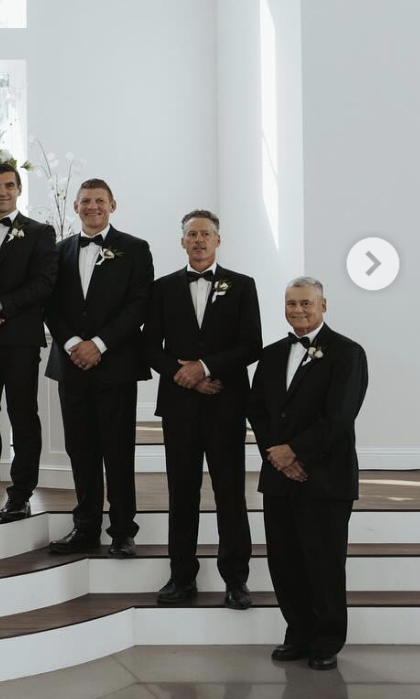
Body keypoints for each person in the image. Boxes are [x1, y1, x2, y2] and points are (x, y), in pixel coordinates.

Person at [248, 277, 367, 672]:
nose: (297, 310)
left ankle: (326, 639)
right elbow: (258, 410)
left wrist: (295, 451)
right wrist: (276, 454)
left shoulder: (347, 353)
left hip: (326, 477)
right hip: (278, 474)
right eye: (290, 303)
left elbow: (340, 415)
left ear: (323, 305)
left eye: (305, 303)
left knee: (324, 563)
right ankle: (297, 632)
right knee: (284, 561)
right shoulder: (271, 354)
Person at [144, 210, 261, 609]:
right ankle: (181, 577)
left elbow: (251, 344)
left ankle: (236, 581)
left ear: (218, 240)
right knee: (182, 493)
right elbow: (148, 347)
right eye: (191, 234)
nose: (198, 240)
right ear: (182, 242)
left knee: (230, 493)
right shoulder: (162, 289)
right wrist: (185, 374)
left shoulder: (243, 286)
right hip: (179, 406)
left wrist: (206, 368)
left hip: (225, 403)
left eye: (205, 234)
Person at [45, 178, 153, 556]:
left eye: (100, 201)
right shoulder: (58, 251)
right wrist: (75, 344)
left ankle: (123, 530)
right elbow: (50, 306)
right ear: (75, 207)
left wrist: (100, 345)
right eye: (86, 201)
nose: (93, 207)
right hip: (71, 365)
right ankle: (85, 527)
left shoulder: (135, 249)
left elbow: (139, 304)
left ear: (113, 205)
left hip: (116, 365)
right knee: (81, 449)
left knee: (118, 449)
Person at [0, 162, 57, 521]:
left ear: (19, 189)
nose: (1, 192)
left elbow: (44, 283)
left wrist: (0, 307)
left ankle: (20, 493)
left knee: (22, 416)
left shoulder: (39, 232)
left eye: (8, 185)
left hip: (19, 340)